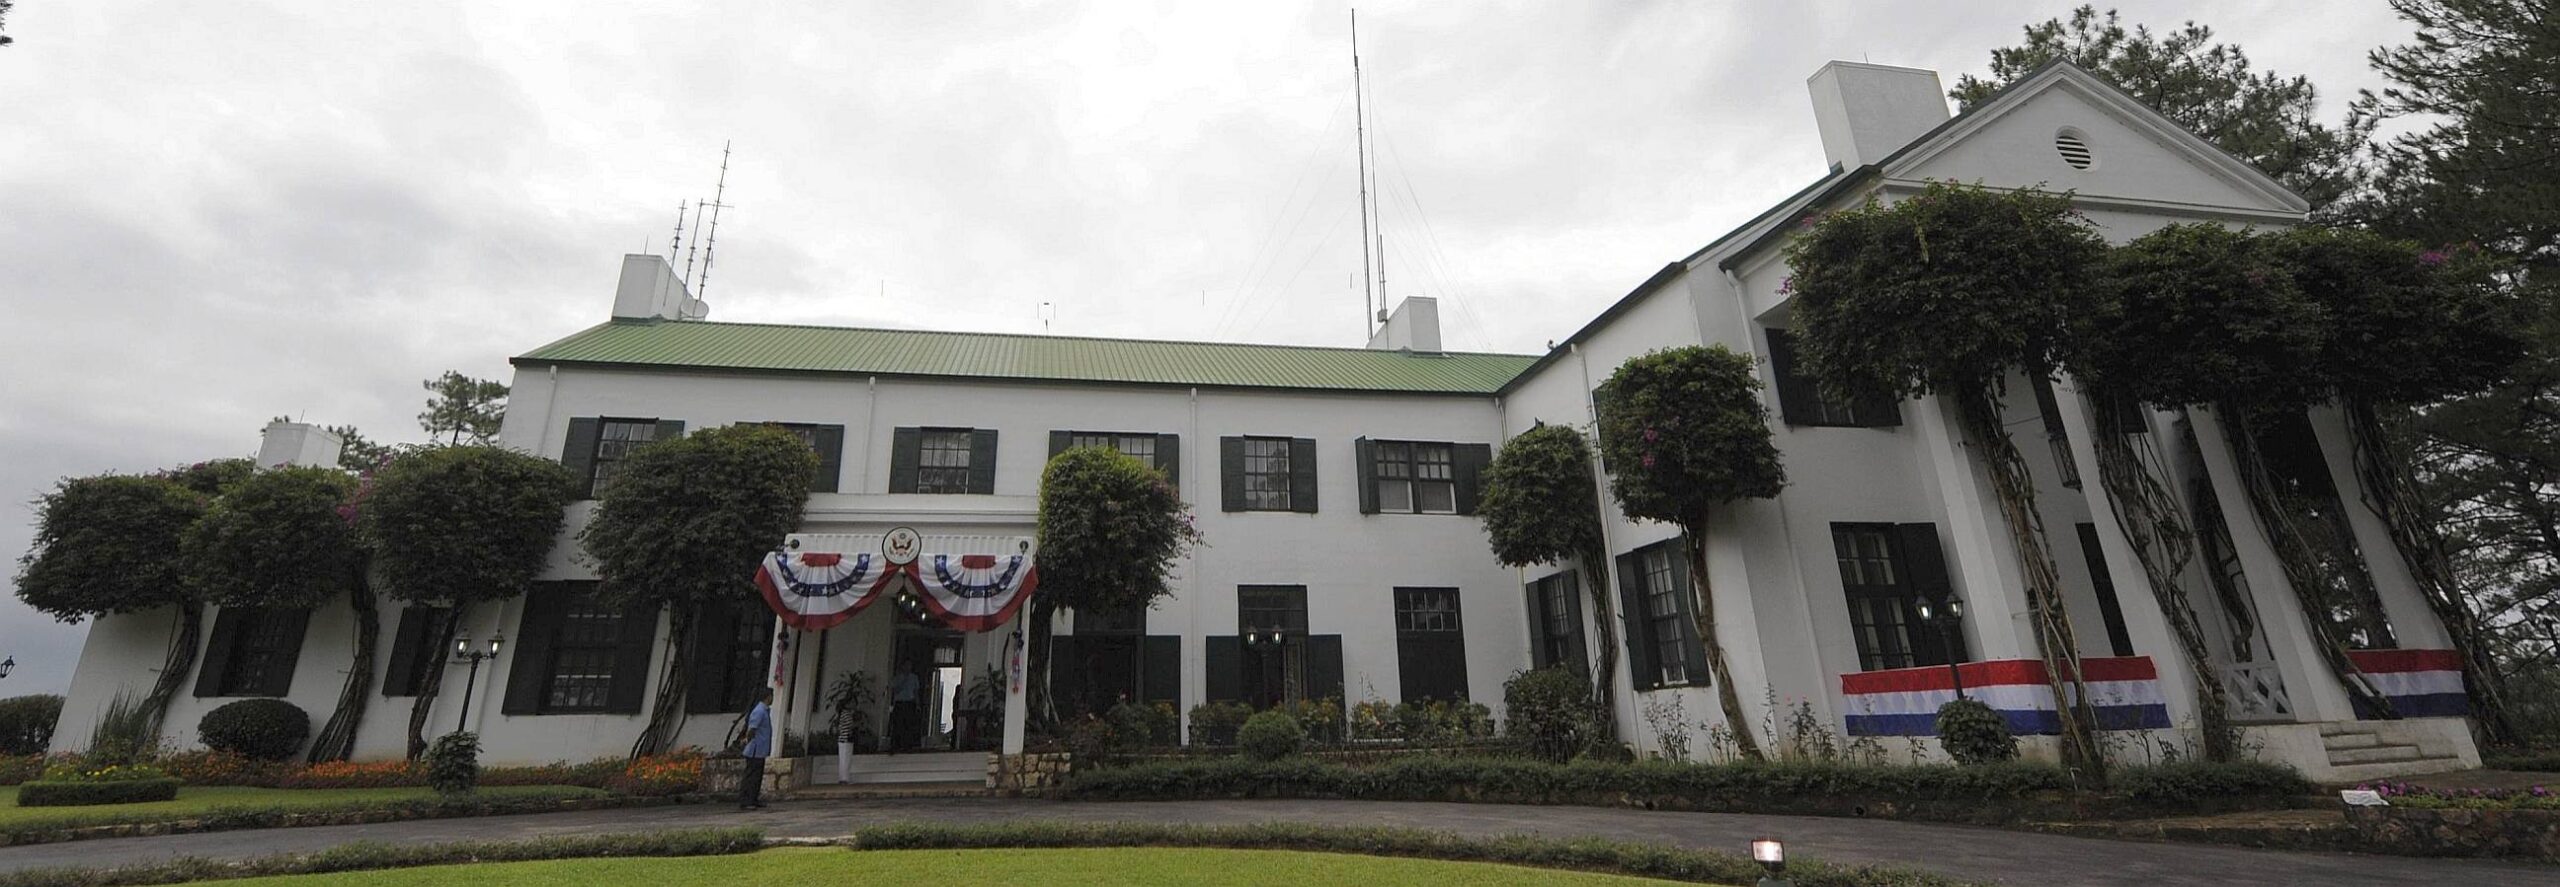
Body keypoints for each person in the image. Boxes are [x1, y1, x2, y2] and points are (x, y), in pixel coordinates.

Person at [739, 688, 773, 810]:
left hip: (760, 750)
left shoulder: (764, 711)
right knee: (751, 776)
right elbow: (752, 729)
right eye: (771, 696)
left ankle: (753, 798)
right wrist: (747, 741)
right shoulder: (759, 711)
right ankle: (746, 800)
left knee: (757, 777)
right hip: (755, 749)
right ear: (767, 697)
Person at [890, 662, 922, 753]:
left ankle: (907, 745)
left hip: (909, 703)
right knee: (898, 724)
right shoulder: (898, 677)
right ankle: (896, 745)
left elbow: (916, 692)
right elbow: (895, 690)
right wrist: (903, 680)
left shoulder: (914, 677)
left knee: (908, 724)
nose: (908, 667)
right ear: (902, 666)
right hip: (900, 703)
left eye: (910, 665)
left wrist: (917, 704)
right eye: (906, 665)